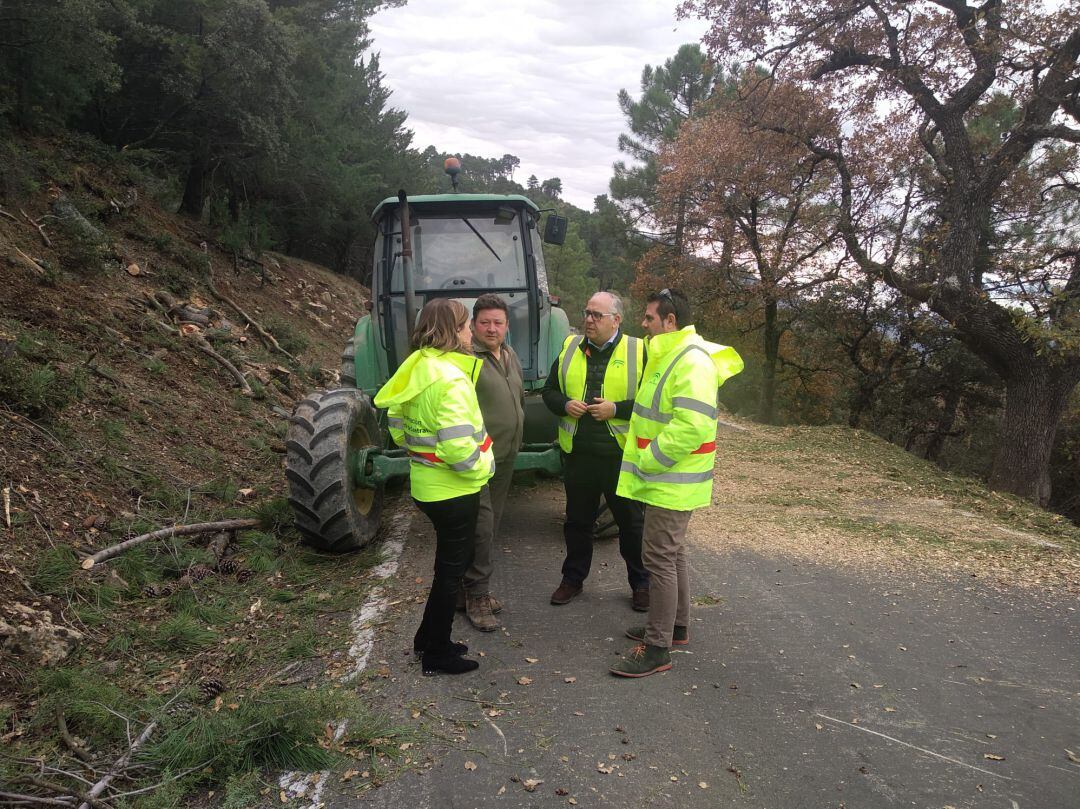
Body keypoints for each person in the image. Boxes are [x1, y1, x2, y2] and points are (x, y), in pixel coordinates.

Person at [609, 288, 743, 678]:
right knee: (673, 554)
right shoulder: (671, 354)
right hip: (668, 479)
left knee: (658, 559)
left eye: (649, 318)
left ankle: (657, 648)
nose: (643, 324)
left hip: (671, 479)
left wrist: (650, 459)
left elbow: (692, 426)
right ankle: (675, 627)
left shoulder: (691, 361)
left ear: (671, 321)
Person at [374, 298, 494, 676]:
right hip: (454, 491)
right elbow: (459, 449)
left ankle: (426, 638)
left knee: (446, 570)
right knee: (450, 574)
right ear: (453, 331)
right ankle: (437, 653)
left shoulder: (417, 367)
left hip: (427, 486)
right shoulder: (452, 379)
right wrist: (485, 466)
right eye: (465, 325)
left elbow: (396, 425)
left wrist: (422, 451)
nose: (471, 331)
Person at [542, 291, 649, 610]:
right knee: (577, 523)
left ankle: (641, 584)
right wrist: (564, 404)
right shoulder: (570, 346)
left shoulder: (639, 351)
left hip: (621, 457)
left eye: (596, 315)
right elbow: (549, 391)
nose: (588, 319)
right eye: (587, 313)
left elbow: (654, 404)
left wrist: (616, 409)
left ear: (616, 320)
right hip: (579, 455)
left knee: (632, 525)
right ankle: (572, 579)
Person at [460, 293, 525, 631]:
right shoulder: (466, 359)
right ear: (473, 325)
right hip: (479, 459)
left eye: (498, 322)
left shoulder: (509, 355)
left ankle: (463, 591)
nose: (491, 328)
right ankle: (476, 595)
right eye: (484, 322)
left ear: (506, 326)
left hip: (507, 456)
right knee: (481, 528)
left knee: (491, 524)